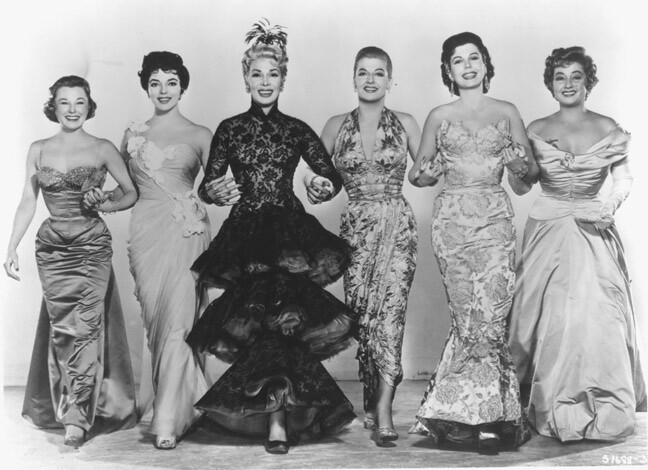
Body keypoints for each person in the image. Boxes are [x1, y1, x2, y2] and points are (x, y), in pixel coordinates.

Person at [185, 19, 357, 455]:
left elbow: (331, 177)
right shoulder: (229, 128)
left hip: (287, 233)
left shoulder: (296, 128)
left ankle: (279, 420)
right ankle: (274, 415)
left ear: (283, 79)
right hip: (245, 235)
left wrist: (323, 186)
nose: (265, 82)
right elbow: (208, 185)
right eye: (257, 74)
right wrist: (213, 191)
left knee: (284, 325)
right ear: (246, 78)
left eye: (273, 74)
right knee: (259, 325)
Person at [407, 32, 538, 453]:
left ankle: (489, 417)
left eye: (474, 58)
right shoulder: (438, 115)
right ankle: (471, 416)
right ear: (448, 70)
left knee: (491, 318)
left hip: (495, 221)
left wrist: (519, 166)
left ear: (485, 63)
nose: (467, 66)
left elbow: (529, 177)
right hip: (452, 225)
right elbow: (418, 174)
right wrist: (426, 176)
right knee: (467, 319)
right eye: (458, 60)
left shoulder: (507, 111)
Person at [508, 46, 646, 442]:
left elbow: (623, 178)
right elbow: (523, 186)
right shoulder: (536, 128)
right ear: (550, 85)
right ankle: (540, 400)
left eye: (576, 77)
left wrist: (608, 206)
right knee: (540, 317)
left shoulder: (607, 126)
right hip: (547, 229)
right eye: (560, 77)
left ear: (588, 83)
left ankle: (602, 400)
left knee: (598, 315)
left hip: (592, 227)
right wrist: (515, 170)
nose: (567, 84)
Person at [86, 52, 214, 450]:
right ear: (146, 87)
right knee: (158, 326)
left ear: (183, 86)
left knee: (179, 324)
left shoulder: (201, 134)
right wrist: (102, 201)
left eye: (171, 82)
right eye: (155, 82)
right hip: (145, 234)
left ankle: (166, 421)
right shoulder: (132, 133)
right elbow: (126, 192)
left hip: (187, 232)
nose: (163, 90)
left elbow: (214, 187)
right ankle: (184, 403)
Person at [3, 76, 138, 447]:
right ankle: (69, 406)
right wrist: (11, 245)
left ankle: (77, 418)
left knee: (86, 325)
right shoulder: (38, 148)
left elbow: (130, 192)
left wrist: (105, 202)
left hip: (92, 244)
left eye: (80, 102)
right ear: (54, 107)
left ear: (89, 106)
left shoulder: (102, 147)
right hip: (52, 249)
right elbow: (28, 201)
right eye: (65, 102)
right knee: (64, 327)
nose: (73, 109)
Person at [306, 46, 420, 442]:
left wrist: (436, 169)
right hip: (355, 231)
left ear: (390, 79)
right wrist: (316, 186)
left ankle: (385, 408)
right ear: (353, 78)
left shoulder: (406, 122)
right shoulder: (335, 125)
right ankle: (371, 398)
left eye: (378, 73)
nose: (370, 80)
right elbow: (318, 177)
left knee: (391, 316)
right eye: (363, 73)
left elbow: (424, 174)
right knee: (363, 318)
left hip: (397, 227)